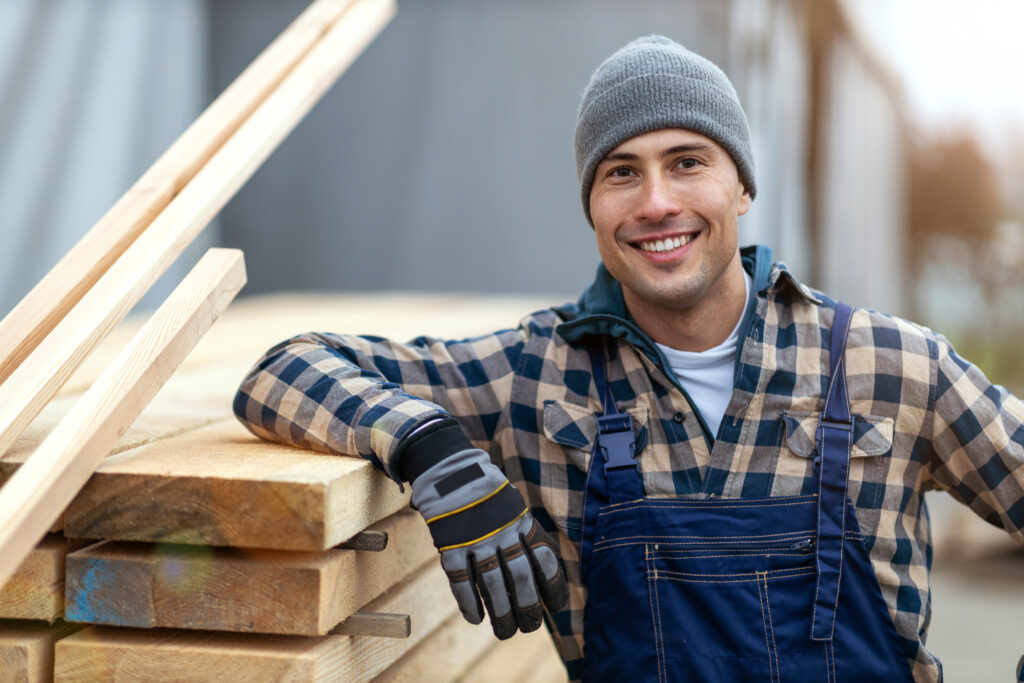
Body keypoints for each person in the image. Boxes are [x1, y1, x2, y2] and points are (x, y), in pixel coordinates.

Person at [233, 35, 1024, 682]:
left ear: (741, 188)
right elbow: (284, 370)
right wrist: (428, 447)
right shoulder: (538, 374)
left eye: (687, 161)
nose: (655, 203)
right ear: (592, 207)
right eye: (621, 173)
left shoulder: (891, 365)